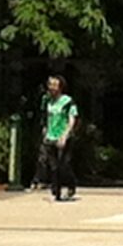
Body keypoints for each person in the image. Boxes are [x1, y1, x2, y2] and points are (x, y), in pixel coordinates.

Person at [38, 74, 79, 202]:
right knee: (53, 165)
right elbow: (45, 118)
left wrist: (65, 135)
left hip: (64, 136)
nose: (52, 88)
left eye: (55, 85)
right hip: (51, 135)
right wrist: (45, 132)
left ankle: (71, 185)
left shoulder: (67, 101)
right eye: (50, 85)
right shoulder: (46, 100)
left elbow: (72, 119)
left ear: (61, 87)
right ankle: (56, 191)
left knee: (64, 164)